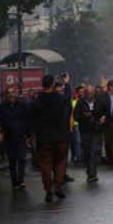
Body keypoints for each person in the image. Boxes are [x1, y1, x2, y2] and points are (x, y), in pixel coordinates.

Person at [28, 73, 72, 202]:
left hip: (43, 138)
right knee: (60, 162)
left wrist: (28, 135)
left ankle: (48, 190)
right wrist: (67, 83)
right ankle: (58, 185)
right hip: (59, 136)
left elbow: (31, 120)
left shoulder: (36, 101)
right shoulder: (59, 99)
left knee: (45, 165)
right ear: (53, 84)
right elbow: (68, 96)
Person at [0, 86, 29, 189]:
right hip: (9, 137)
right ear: (6, 95)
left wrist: (28, 134)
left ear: (15, 93)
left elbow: (28, 118)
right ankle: (14, 182)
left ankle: (21, 180)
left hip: (21, 136)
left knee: (22, 158)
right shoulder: (2, 107)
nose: (10, 94)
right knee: (12, 160)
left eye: (12, 92)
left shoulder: (22, 104)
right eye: (8, 93)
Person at [74, 86, 107, 182]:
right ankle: (89, 170)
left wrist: (104, 117)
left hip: (96, 130)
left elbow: (106, 111)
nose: (91, 95)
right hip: (85, 131)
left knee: (94, 150)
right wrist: (84, 116)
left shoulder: (99, 101)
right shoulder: (80, 103)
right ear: (85, 94)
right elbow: (76, 116)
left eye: (92, 93)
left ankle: (92, 173)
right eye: (89, 93)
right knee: (87, 151)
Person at [101, 80, 113, 165]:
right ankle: (109, 157)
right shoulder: (103, 96)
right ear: (110, 87)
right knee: (108, 140)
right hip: (108, 121)